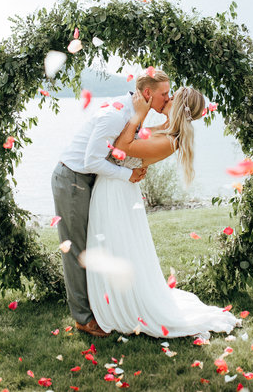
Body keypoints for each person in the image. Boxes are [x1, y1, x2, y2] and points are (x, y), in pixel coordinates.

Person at [85, 86, 242, 339]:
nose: (166, 98)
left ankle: (120, 305)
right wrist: (141, 114)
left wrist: (138, 113)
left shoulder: (170, 140)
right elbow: (131, 137)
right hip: (115, 188)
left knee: (116, 248)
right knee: (114, 247)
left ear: (179, 105)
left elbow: (122, 146)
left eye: (171, 97)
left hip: (117, 192)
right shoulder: (166, 130)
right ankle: (109, 300)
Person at [51, 69, 171, 337]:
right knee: (77, 249)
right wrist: (129, 174)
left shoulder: (133, 113)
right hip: (73, 180)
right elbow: (92, 160)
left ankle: (97, 305)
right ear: (148, 93)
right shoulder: (115, 115)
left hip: (90, 180)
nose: (168, 97)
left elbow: (126, 146)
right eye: (165, 94)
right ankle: (82, 317)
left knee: (94, 245)